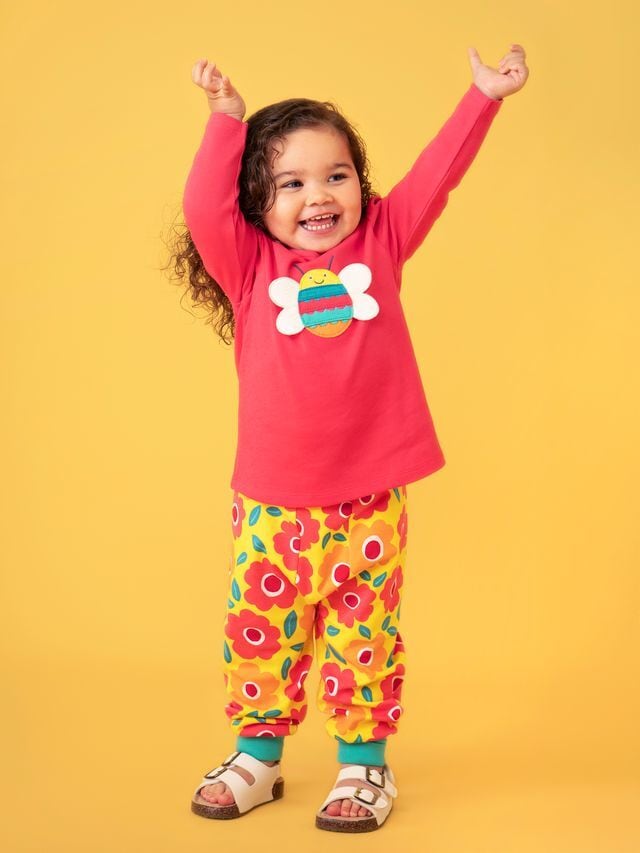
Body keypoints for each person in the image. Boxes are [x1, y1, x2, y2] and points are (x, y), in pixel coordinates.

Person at [173, 45, 529, 832]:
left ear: (361, 185)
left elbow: (436, 175)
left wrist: (482, 97)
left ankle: (365, 763)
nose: (320, 196)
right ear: (256, 201)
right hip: (271, 503)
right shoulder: (248, 266)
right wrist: (226, 121)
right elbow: (203, 207)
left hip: (369, 499)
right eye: (291, 183)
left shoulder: (383, 243)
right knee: (261, 632)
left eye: (337, 175)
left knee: (363, 633)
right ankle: (257, 756)